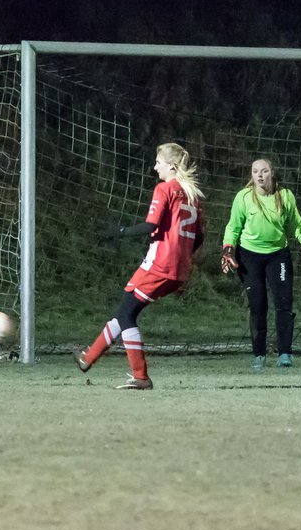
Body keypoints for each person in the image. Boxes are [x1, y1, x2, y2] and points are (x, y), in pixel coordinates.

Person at [75, 142, 204, 390]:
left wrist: (119, 232)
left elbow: (150, 226)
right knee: (125, 310)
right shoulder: (193, 196)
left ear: (172, 166)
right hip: (178, 269)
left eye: (159, 162)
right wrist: (182, 255)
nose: (155, 167)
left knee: (126, 314)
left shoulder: (165, 189)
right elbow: (199, 238)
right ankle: (87, 357)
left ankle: (141, 376)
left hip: (159, 264)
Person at [221, 158, 301, 371]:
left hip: (278, 255)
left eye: (264, 171)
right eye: (255, 171)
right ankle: (259, 355)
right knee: (258, 306)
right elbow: (233, 226)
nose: (260, 175)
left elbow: (296, 224)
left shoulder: (285, 196)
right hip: (248, 256)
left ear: (272, 173)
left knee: (283, 304)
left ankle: (285, 354)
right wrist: (228, 249)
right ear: (252, 175)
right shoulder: (243, 197)